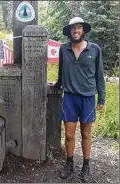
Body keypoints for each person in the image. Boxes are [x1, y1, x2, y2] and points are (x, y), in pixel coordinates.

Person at [51, 17, 105, 183]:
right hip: (69, 98)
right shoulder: (63, 49)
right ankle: (69, 164)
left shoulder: (94, 49)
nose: (76, 31)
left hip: (88, 98)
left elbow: (99, 75)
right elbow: (62, 71)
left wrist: (101, 98)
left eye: (79, 27)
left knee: (86, 133)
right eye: (73, 28)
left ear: (83, 30)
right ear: (69, 31)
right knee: (68, 135)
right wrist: (57, 84)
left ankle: (86, 167)